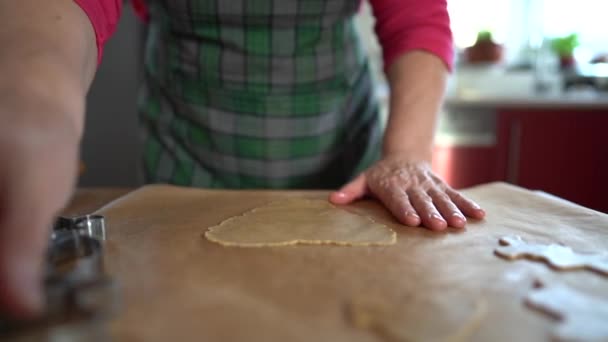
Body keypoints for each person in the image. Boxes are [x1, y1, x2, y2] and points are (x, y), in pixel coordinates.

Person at [0, 0, 485, 319]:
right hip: (186, 148)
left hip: (337, 153)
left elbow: (416, 19)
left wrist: (405, 154)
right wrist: (36, 106)